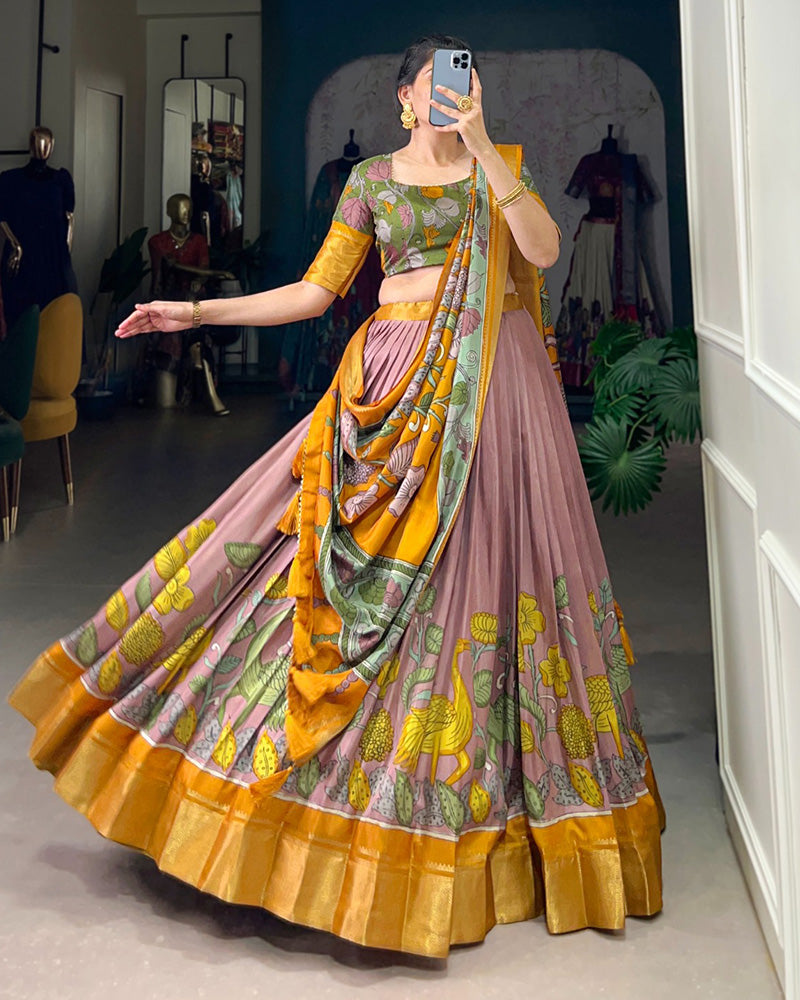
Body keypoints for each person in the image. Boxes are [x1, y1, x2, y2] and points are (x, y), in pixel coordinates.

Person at [9, 35, 664, 959]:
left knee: (487, 572)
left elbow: (544, 250)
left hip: (498, 388)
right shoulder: (372, 184)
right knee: (305, 560)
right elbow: (315, 294)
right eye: (437, 83)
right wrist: (192, 311)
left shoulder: (498, 171)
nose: (453, 94)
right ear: (405, 99)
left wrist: (483, 147)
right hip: (392, 389)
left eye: (467, 81)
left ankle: (477, 816)